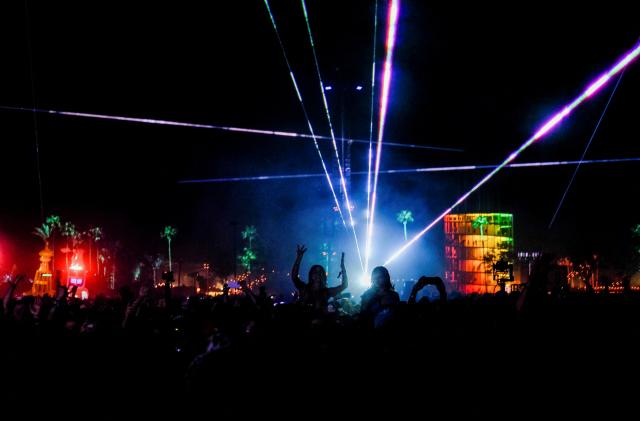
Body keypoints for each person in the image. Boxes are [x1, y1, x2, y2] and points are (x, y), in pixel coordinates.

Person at [291, 245, 348, 311]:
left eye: (320, 272)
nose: (318, 274)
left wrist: (343, 268)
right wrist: (299, 258)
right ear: (311, 275)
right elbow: (294, 277)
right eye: (315, 271)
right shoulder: (304, 288)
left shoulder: (326, 292)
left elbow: (344, 285)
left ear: (323, 275)